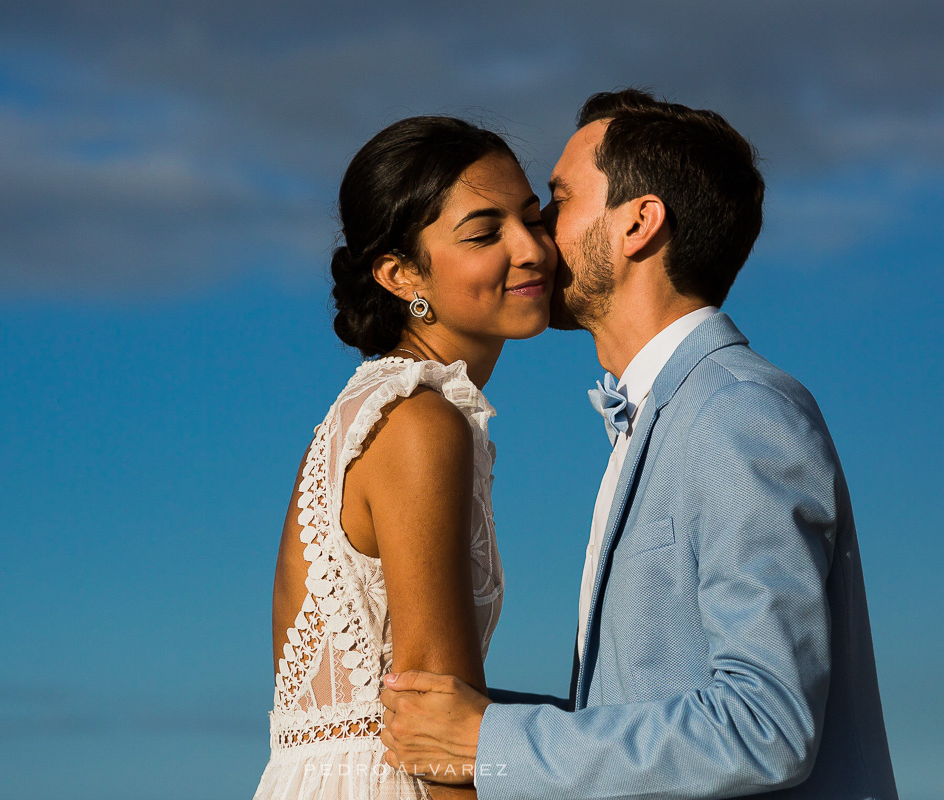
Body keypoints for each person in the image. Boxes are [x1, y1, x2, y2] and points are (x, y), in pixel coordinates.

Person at [379, 89, 898, 799]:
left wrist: (489, 740)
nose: (535, 237)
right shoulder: (663, 415)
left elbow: (764, 726)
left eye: (556, 203)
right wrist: (469, 722)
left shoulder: (738, 413)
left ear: (638, 225)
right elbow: (637, 713)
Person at [252, 115, 556, 799]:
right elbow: (440, 729)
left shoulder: (381, 410)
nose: (532, 249)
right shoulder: (419, 422)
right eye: (485, 233)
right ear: (398, 274)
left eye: (533, 219)